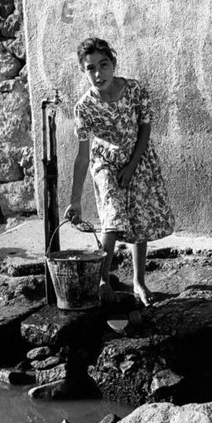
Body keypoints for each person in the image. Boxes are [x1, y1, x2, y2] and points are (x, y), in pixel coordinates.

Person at [64, 37, 175, 306]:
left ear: (113, 63)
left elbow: (145, 128)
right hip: (105, 161)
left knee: (138, 218)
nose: (98, 73)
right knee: (112, 215)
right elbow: (82, 156)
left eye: (104, 65)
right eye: (91, 68)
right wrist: (75, 200)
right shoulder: (84, 107)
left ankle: (139, 281)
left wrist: (132, 166)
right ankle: (102, 280)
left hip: (137, 157)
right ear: (83, 71)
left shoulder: (135, 90)